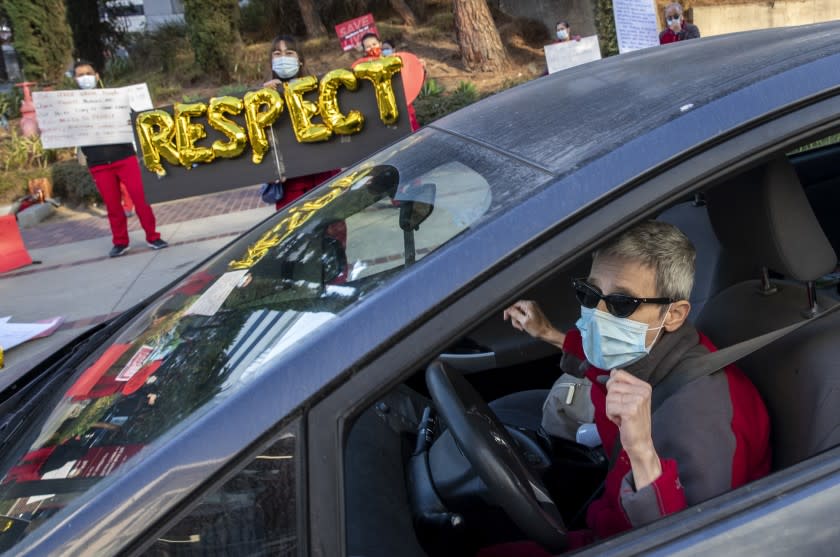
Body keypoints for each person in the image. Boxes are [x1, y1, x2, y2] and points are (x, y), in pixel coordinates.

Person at [495, 221, 770, 551]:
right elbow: (598, 360)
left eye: (621, 304)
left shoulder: (700, 416)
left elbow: (694, 543)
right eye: (589, 293)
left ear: (673, 315)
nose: (596, 314)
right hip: (608, 522)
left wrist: (641, 450)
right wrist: (547, 333)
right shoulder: (644, 352)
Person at [73, 60, 167, 258]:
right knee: (113, 205)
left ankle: (153, 236)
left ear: (97, 76)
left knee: (140, 199)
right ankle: (120, 242)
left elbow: (135, 119)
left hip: (124, 157)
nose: (85, 78)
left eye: (88, 73)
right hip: (98, 163)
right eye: (80, 75)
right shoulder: (72, 105)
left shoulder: (115, 97)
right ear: (75, 80)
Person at [261, 35, 340, 211]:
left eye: (289, 53)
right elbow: (261, 136)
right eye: (277, 53)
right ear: (271, 61)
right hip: (291, 183)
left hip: (323, 176)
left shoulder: (319, 90)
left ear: (300, 60)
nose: (283, 58)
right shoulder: (262, 96)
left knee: (331, 231)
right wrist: (265, 100)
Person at [359, 32, 422, 131]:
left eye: (374, 44)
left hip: (402, 101)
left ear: (380, 44)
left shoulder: (394, 60)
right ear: (364, 50)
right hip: (382, 108)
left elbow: (409, 77)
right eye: (368, 47)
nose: (372, 48)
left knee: (412, 130)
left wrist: (420, 68)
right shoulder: (363, 68)